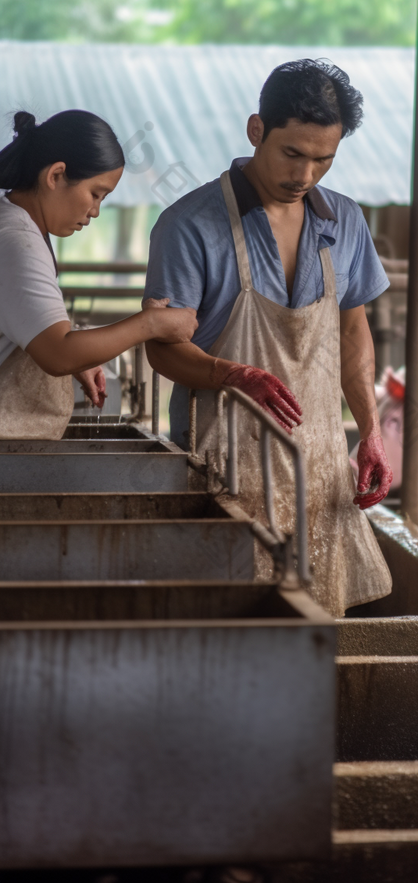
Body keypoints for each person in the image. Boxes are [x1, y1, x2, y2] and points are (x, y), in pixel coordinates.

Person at [144, 59, 393, 616]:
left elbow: (354, 333)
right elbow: (161, 348)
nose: (305, 175)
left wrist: (371, 431)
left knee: (314, 626)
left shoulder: (346, 222)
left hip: (320, 467)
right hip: (223, 465)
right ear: (257, 130)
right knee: (230, 625)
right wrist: (231, 373)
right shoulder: (190, 224)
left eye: (323, 160)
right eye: (292, 153)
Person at [0, 109, 197, 439]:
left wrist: (82, 351)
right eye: (95, 193)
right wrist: (151, 323)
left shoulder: (14, 220)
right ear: (56, 175)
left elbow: (29, 320)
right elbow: (59, 354)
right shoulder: (18, 241)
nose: (94, 211)